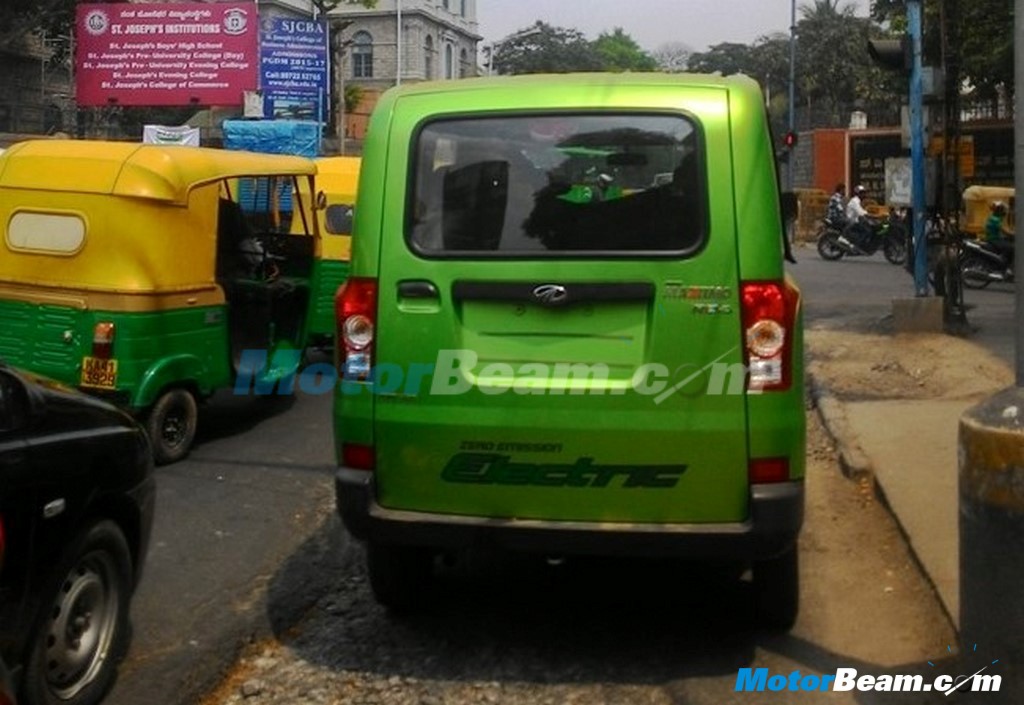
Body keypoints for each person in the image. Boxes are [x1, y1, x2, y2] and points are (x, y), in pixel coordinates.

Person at [843, 184, 873, 249]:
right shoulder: (855, 201)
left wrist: (869, 214)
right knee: (867, 231)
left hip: (856, 220)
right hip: (852, 222)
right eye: (862, 193)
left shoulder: (858, 201)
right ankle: (856, 246)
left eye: (864, 193)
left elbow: (862, 211)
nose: (864, 195)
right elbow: (860, 212)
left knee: (868, 226)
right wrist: (871, 216)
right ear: (858, 194)